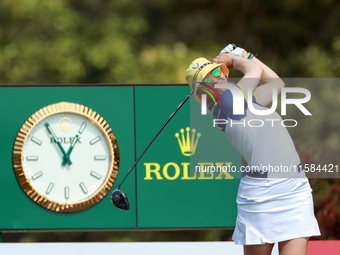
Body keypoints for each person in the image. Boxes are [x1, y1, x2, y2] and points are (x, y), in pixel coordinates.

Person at [185, 44, 320, 255]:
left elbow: (276, 83)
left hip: (294, 190)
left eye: (217, 70)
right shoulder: (227, 104)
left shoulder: (246, 102)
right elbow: (255, 71)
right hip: (261, 197)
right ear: (203, 90)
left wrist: (243, 54)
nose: (218, 75)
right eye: (209, 75)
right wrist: (233, 59)